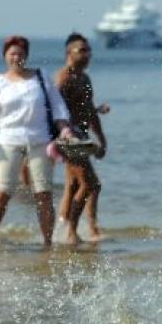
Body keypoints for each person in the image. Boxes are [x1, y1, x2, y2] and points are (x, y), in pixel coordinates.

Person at [0, 36, 72, 248]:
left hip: (39, 140)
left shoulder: (40, 77)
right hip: (8, 142)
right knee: (1, 193)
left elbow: (57, 106)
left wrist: (64, 129)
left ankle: (47, 242)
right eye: (12, 53)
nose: (16, 57)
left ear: (27, 56)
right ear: (5, 56)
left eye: (20, 54)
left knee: (43, 193)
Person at [55, 33, 107, 244]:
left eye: (89, 51)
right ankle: (72, 232)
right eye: (82, 51)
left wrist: (102, 138)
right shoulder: (64, 77)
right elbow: (52, 110)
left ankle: (62, 228)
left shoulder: (84, 78)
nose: (88, 55)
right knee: (91, 184)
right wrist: (58, 137)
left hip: (82, 136)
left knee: (74, 185)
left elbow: (88, 112)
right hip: (68, 138)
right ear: (69, 53)